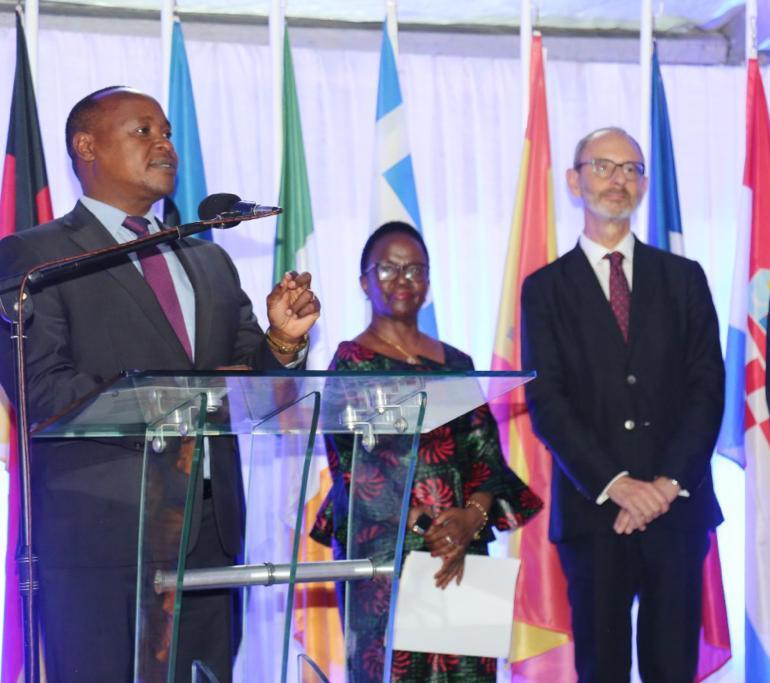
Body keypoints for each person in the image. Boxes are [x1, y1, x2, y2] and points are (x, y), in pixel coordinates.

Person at [0, 86, 320, 683]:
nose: (164, 143)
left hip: (209, 533)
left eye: (166, 132)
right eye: (143, 131)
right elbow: (42, 390)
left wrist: (282, 341)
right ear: (86, 145)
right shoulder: (33, 258)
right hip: (102, 535)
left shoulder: (209, 261)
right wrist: (180, 394)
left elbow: (255, 387)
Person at [520, 127, 724, 682]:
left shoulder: (684, 279)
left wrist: (664, 485)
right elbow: (547, 402)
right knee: (602, 669)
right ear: (574, 179)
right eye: (605, 166)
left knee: (671, 667)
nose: (619, 180)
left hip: (677, 509)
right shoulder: (544, 290)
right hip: (595, 514)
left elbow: (708, 388)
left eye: (632, 169)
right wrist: (617, 484)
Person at [310, 221, 543, 682]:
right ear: (364, 282)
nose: (403, 280)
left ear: (429, 284)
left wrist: (469, 520)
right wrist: (427, 526)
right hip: (385, 554)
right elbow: (351, 467)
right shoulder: (351, 364)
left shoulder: (455, 363)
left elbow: (485, 454)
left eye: (415, 270)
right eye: (389, 269)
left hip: (464, 548)